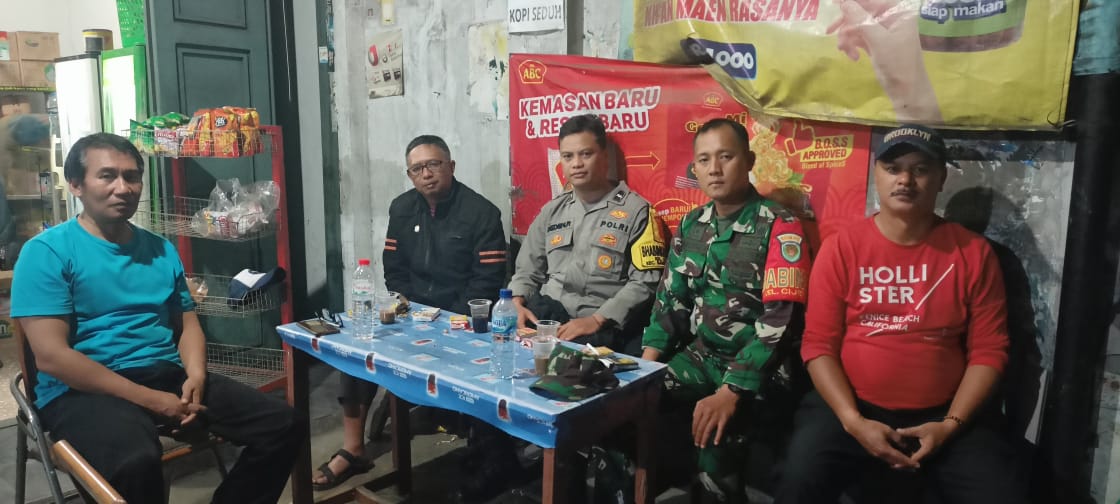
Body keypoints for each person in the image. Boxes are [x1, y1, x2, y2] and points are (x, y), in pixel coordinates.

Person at [10, 133, 304, 504]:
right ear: (75, 185)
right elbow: (52, 357)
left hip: (163, 375)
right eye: (107, 176)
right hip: (81, 390)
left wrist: (195, 377)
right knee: (136, 461)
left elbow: (187, 325)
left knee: (283, 424)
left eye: (132, 176)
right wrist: (152, 400)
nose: (123, 188)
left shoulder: (159, 249)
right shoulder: (46, 253)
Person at [774, 124, 1025, 503]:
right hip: (852, 408)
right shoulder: (842, 249)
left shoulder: (972, 253)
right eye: (893, 168)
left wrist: (950, 425)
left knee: (1003, 494)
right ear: (877, 174)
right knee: (797, 480)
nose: (905, 180)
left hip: (947, 414)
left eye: (920, 169)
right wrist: (854, 422)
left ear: (941, 178)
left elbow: (989, 351)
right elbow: (818, 345)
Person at [313, 134, 507, 490]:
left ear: (451, 166)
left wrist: (447, 319)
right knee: (358, 348)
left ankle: (483, 451)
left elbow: (487, 281)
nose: (426, 174)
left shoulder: (481, 213)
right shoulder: (402, 208)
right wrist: (407, 306)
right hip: (412, 313)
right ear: (409, 174)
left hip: (458, 319)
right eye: (417, 169)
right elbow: (394, 266)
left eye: (433, 164)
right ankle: (353, 449)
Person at [638, 118, 811, 501]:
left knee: (715, 444)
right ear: (695, 169)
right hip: (701, 357)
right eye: (704, 160)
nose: (714, 168)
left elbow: (781, 321)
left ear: (748, 161)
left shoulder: (780, 226)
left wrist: (732, 390)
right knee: (623, 409)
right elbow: (670, 303)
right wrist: (643, 373)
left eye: (725, 157)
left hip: (760, 371)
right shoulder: (692, 224)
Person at [509, 114, 666, 355]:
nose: (576, 164)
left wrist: (597, 319)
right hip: (547, 318)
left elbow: (646, 282)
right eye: (568, 156)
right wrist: (517, 301)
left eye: (586, 154)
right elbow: (527, 269)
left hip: (599, 328)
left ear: (604, 156)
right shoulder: (553, 211)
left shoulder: (637, 211)